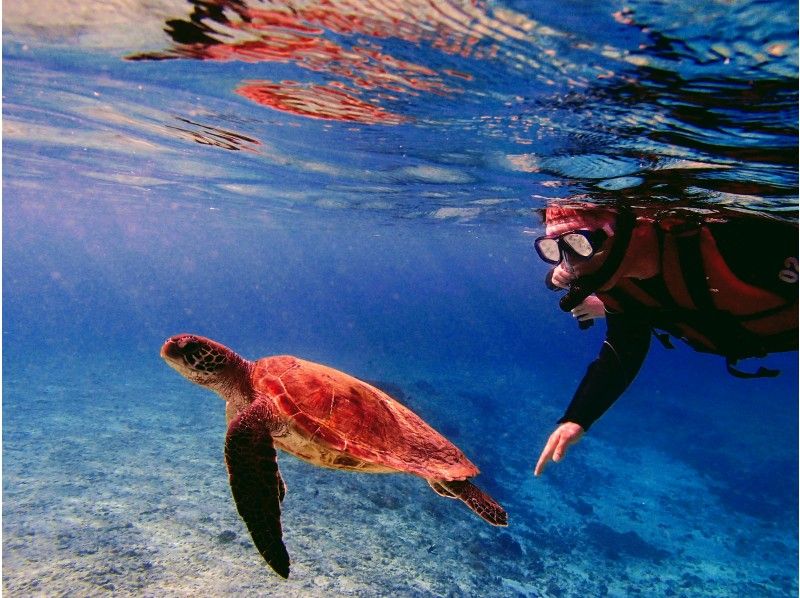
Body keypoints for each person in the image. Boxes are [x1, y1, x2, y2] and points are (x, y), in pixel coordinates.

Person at [532, 203, 798, 476]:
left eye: (579, 243)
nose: (570, 265)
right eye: (557, 250)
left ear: (634, 228)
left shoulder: (737, 239)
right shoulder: (622, 289)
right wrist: (578, 418)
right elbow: (622, 351)